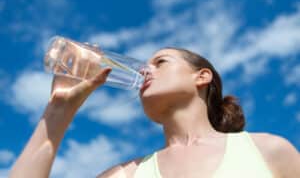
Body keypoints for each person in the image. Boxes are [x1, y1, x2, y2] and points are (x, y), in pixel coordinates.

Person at [10, 47, 300, 178]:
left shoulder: (267, 151)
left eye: (160, 61)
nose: (145, 69)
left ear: (202, 77)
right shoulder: (128, 174)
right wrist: (59, 109)